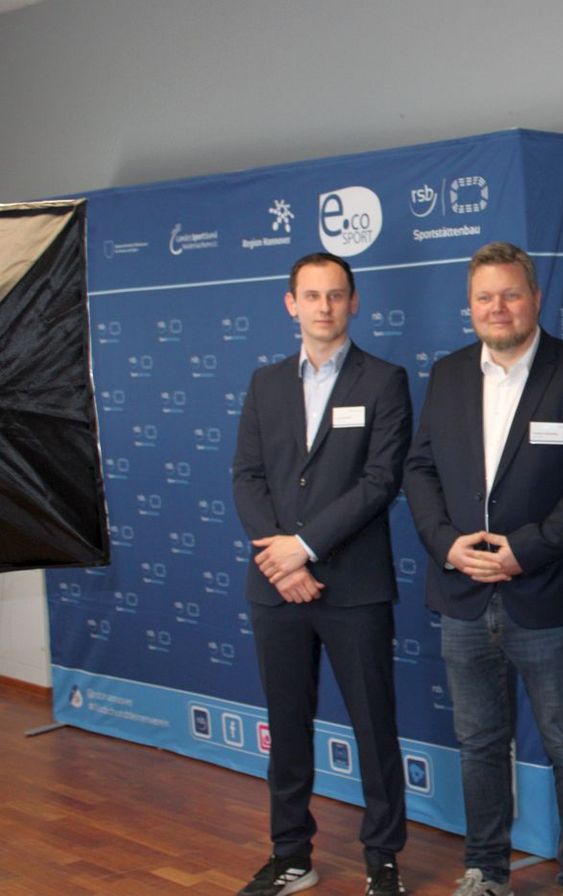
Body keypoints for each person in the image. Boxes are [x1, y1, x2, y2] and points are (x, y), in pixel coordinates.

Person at [402, 241, 563, 896]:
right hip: (463, 594)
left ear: (536, 299)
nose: (498, 307)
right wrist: (445, 544)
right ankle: (485, 870)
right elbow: (420, 468)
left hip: (546, 594)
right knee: (480, 743)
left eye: (511, 294)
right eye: (484, 297)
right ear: (470, 306)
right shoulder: (449, 374)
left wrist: (530, 548)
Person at [232, 252, 412, 896]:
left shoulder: (384, 381)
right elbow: (248, 477)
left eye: (336, 294)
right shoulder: (265, 383)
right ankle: (290, 855)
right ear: (292, 304)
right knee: (287, 728)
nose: (324, 306)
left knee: (374, 727)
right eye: (311, 295)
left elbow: (380, 481)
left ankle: (383, 860)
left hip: (354, 588)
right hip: (277, 589)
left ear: (354, 302)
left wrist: (303, 547)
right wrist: (283, 564)